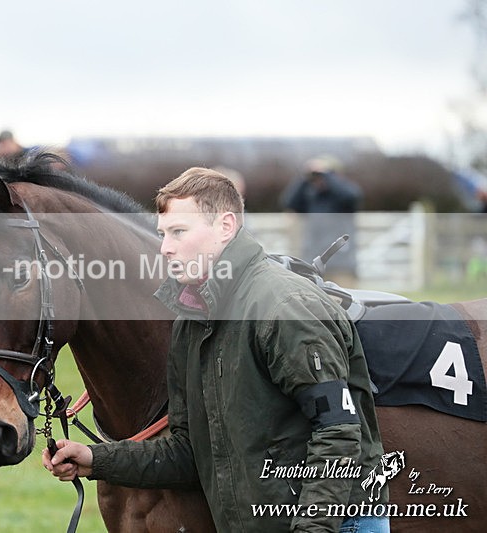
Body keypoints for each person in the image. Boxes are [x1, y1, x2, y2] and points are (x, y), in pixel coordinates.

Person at [43, 167, 388, 532]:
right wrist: (95, 459)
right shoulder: (192, 321)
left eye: (179, 232)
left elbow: (338, 435)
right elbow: (188, 451)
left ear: (225, 226)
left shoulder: (286, 307)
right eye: (163, 234)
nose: (165, 248)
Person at [280, 156, 363, 288]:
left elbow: (351, 196)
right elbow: (289, 202)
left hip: (341, 265)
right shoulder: (312, 197)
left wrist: (326, 174)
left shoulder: (344, 196)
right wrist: (305, 178)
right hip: (314, 264)